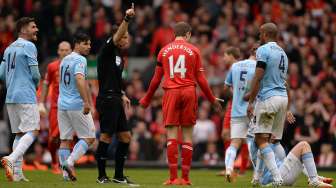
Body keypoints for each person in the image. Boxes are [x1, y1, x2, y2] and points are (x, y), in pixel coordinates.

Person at [139, 21, 222, 185]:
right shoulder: (194, 50)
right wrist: (212, 99)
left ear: (173, 34)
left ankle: (172, 178)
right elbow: (201, 79)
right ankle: (185, 178)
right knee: (187, 136)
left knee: (171, 135)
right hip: (189, 92)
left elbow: (156, 79)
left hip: (171, 92)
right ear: (188, 34)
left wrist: (147, 98)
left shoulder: (164, 51)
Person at [94, 3, 138, 186]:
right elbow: (118, 34)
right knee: (105, 136)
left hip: (116, 98)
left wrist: (122, 93)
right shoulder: (107, 49)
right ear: (117, 37)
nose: (127, 39)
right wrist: (127, 19)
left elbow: (113, 78)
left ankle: (119, 176)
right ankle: (101, 175)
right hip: (107, 99)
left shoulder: (120, 55)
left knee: (126, 137)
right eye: (124, 36)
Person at [247, 22, 288, 187]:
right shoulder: (283, 52)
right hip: (282, 98)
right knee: (267, 139)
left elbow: (258, 76)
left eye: (259, 33)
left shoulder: (263, 50)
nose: (258, 36)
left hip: (268, 98)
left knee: (259, 139)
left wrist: (250, 101)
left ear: (264, 34)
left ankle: (277, 178)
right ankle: (257, 177)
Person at [0, 17, 40, 182]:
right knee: (33, 130)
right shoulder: (29, 46)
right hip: (25, 94)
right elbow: (36, 74)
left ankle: (16, 173)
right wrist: (35, 86)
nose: (36, 29)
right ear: (23, 29)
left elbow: (1, 74)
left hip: (10, 96)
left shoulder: (9, 48)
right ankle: (11, 158)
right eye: (33, 27)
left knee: (19, 133)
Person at [57, 33, 95, 181]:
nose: (89, 47)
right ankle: (70, 162)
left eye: (90, 44)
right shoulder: (80, 60)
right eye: (86, 44)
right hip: (76, 104)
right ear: (77, 44)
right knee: (90, 137)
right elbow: (79, 79)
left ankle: (66, 176)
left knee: (65, 139)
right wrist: (86, 102)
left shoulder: (64, 59)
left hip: (62, 104)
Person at [223, 47, 256, 182]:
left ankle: (229, 169)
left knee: (234, 143)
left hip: (236, 110)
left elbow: (225, 88)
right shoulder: (259, 67)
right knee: (253, 143)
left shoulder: (235, 66)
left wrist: (236, 96)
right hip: (252, 110)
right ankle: (256, 175)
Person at [38, 41, 72, 174]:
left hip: (71, 107)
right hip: (55, 107)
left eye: (67, 50)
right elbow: (46, 84)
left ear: (70, 51)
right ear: (58, 51)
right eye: (62, 50)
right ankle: (54, 161)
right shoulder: (52, 66)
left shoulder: (74, 65)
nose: (64, 52)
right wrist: (41, 103)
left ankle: (66, 165)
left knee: (68, 138)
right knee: (53, 138)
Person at [255, 140, 333, 187]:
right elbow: (260, 173)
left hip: (282, 176)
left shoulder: (273, 145)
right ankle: (314, 180)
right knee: (304, 145)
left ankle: (314, 178)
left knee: (301, 154)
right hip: (277, 179)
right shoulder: (262, 148)